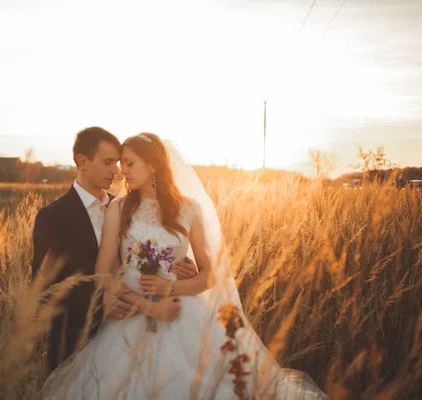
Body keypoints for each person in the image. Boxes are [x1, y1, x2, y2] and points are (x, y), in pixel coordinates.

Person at [40, 132, 328, 399]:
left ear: (152, 165)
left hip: (184, 311)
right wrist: (148, 305)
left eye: (128, 163)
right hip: (131, 312)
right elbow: (104, 273)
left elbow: (210, 275)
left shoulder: (189, 208)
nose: (121, 170)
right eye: (118, 163)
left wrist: (170, 286)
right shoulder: (119, 207)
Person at [32, 127, 198, 373]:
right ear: (82, 162)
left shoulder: (125, 207)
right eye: (108, 162)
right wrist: (99, 301)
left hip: (132, 333)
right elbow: (43, 289)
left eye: (119, 162)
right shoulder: (53, 216)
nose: (117, 170)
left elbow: (145, 255)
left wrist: (182, 266)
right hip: (75, 341)